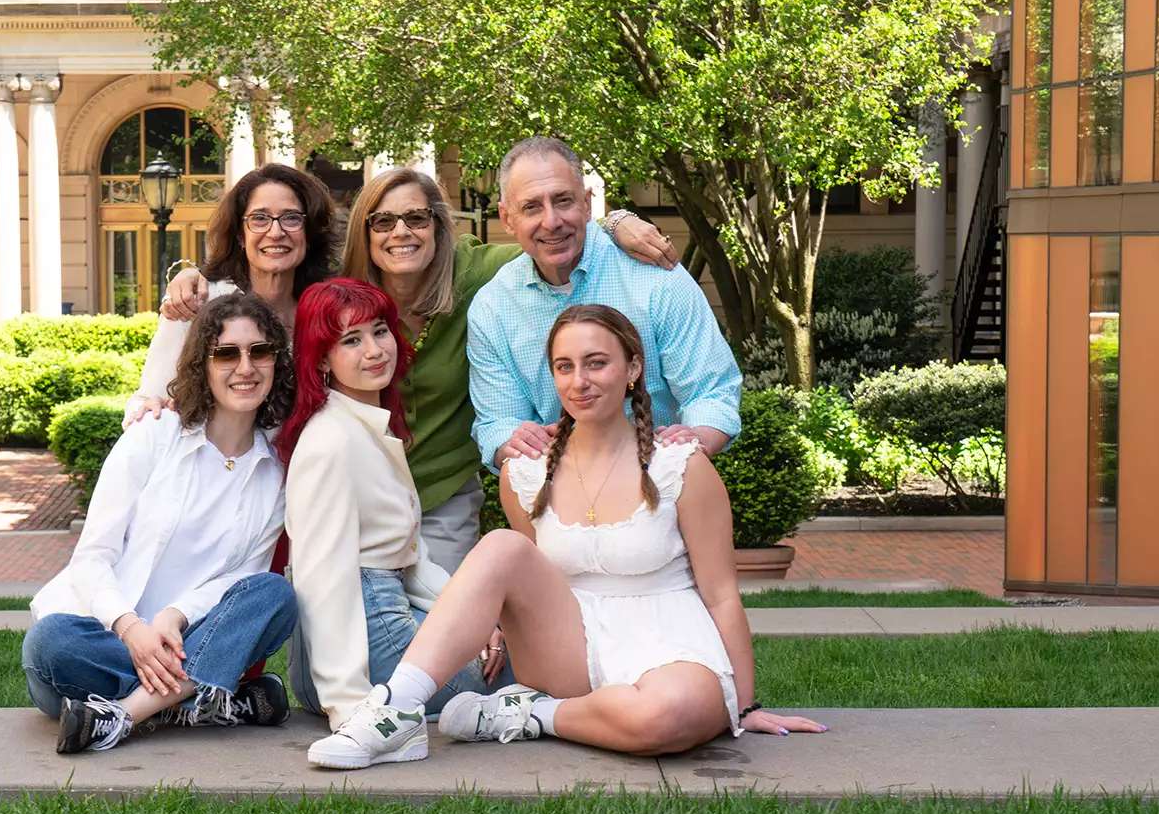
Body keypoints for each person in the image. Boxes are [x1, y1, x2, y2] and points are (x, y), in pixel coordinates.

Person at [307, 305, 824, 770]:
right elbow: (525, 582)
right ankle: (396, 711)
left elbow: (721, 593)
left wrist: (745, 705)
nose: (581, 381)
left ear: (633, 369)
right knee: (503, 547)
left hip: (668, 637)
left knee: (671, 715)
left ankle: (531, 714)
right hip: (566, 645)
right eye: (565, 366)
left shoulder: (680, 466)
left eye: (597, 363)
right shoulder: (526, 473)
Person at [165, 167, 676, 573]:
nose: (400, 233)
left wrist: (615, 221)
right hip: (354, 490)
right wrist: (188, 273)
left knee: (442, 649)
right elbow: (257, 292)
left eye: (416, 218)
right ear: (365, 232)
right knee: (352, 641)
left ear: (438, 224)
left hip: (439, 493)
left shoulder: (477, 272)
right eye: (383, 222)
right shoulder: (341, 291)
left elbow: (547, 233)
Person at [23, 293, 299, 754]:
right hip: (104, 645)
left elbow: (242, 577)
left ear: (276, 361)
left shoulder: (276, 469)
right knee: (49, 641)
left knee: (274, 594)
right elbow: (93, 558)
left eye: (260, 351)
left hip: (190, 641)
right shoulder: (153, 436)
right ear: (202, 364)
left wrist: (175, 616)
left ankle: (122, 716)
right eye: (226, 353)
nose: (245, 367)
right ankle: (206, 702)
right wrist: (133, 631)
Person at [278, 277, 508, 739]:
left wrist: (471, 618)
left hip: (387, 611)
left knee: (510, 645)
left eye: (380, 331)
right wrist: (347, 704)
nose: (374, 350)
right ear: (322, 358)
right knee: (521, 671)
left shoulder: (368, 425)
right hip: (365, 644)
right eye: (351, 340)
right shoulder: (331, 441)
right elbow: (321, 576)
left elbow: (409, 555)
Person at [467, 136, 742, 474]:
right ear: (507, 218)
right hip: (558, 488)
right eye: (531, 207)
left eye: (563, 200)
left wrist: (692, 443)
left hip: (664, 477)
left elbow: (712, 393)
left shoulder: (657, 277)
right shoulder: (492, 308)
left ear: (586, 203)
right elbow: (497, 422)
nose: (551, 221)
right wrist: (510, 439)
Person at [126, 163, 337, 424]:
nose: (276, 232)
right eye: (259, 218)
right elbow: (146, 403)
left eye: (291, 218)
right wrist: (153, 413)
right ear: (240, 234)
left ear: (309, 231)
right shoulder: (198, 302)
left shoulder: (327, 310)